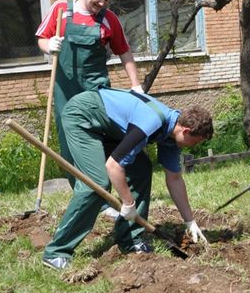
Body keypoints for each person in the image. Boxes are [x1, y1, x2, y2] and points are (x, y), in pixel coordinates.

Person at [42, 88, 213, 270]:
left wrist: (190, 221)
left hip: (110, 129)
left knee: (141, 169)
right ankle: (57, 252)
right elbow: (113, 166)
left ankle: (130, 239)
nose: (193, 147)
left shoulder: (171, 136)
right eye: (195, 142)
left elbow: (174, 179)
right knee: (97, 183)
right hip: (84, 116)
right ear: (186, 131)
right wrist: (128, 203)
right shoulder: (152, 122)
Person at [36, 0, 142, 140]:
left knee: (96, 128)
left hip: (95, 87)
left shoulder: (110, 19)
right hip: (65, 88)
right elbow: (42, 38)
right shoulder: (61, 8)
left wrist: (136, 85)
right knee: (67, 129)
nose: (102, 3)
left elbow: (124, 52)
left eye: (107, 0)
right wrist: (49, 46)